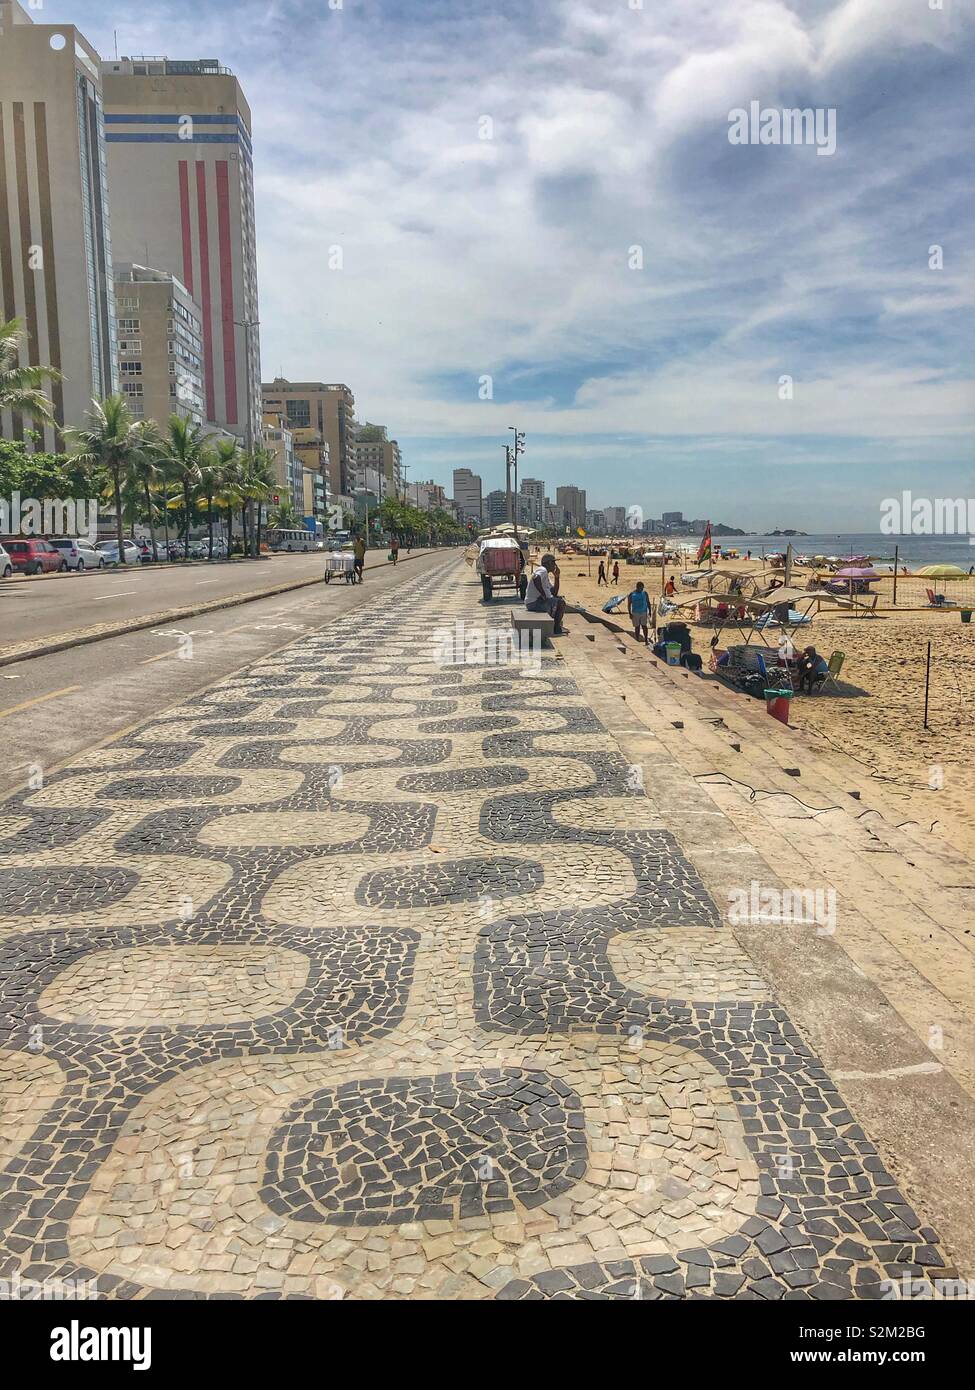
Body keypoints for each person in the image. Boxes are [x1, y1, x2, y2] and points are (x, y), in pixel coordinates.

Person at [525, 553, 567, 633]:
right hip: (534, 603)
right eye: (553, 562)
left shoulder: (545, 575)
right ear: (549, 563)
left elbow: (554, 592)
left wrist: (557, 577)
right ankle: (556, 628)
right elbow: (536, 578)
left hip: (534, 603)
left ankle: (556, 626)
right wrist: (543, 595)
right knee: (561, 603)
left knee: (558, 600)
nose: (555, 565)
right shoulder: (542, 570)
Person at [628, 580, 651, 644]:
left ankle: (646, 640)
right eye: (641, 587)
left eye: (643, 588)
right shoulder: (632, 594)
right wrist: (629, 613)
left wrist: (650, 611)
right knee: (637, 627)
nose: (642, 589)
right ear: (638, 587)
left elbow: (648, 602)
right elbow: (629, 604)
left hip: (643, 612)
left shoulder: (645, 593)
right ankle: (637, 639)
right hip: (635, 613)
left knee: (644, 626)